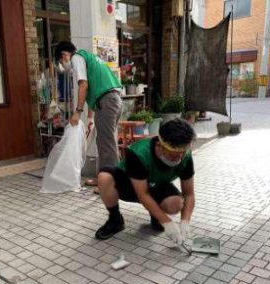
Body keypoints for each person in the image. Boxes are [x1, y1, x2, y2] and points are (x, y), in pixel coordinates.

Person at [95, 118, 196, 245]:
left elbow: (189, 194)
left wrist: (185, 221)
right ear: (160, 145)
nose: (179, 158)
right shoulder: (138, 152)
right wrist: (168, 222)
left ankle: (156, 217)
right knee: (104, 177)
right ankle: (115, 220)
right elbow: (142, 194)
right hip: (131, 185)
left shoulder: (184, 155)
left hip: (157, 185)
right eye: (173, 155)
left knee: (175, 204)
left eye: (182, 153)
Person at [55, 41, 123, 186]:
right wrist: (90, 117)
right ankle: (102, 179)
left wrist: (78, 112)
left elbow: (83, 85)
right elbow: (94, 91)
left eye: (62, 61)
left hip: (107, 101)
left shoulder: (77, 57)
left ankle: (111, 184)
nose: (65, 65)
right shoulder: (89, 58)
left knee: (107, 143)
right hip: (110, 100)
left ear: (65, 54)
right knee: (103, 141)